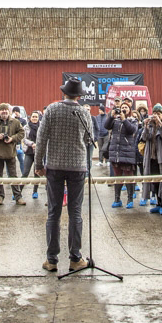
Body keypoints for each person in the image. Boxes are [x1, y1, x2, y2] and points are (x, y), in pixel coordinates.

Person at [33, 78, 94, 273]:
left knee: (54, 212)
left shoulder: (51, 110)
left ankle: (51, 260)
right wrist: (88, 167)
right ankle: (75, 258)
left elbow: (41, 139)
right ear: (78, 95)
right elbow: (88, 141)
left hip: (55, 166)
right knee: (75, 212)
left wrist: (38, 164)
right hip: (77, 167)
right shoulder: (84, 113)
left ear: (64, 93)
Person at [0, 103, 26, 204]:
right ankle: (0, 196)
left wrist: (12, 138)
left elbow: (22, 133)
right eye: (2, 110)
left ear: (9, 111)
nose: (4, 112)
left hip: (10, 153)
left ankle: (18, 197)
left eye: (6, 110)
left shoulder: (15, 122)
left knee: (13, 175)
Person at [103, 100, 139, 208]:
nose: (123, 109)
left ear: (129, 110)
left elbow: (131, 130)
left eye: (126, 108)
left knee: (129, 176)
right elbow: (106, 126)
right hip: (116, 153)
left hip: (127, 152)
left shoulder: (133, 120)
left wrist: (124, 119)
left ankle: (130, 199)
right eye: (122, 107)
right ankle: (117, 199)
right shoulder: (115, 120)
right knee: (117, 176)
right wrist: (111, 116)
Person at [22, 111, 41, 199]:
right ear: (30, 117)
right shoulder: (26, 127)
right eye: (33, 116)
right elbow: (24, 139)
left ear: (38, 118)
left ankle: (35, 191)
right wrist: (32, 144)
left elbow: (44, 138)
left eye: (36, 117)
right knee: (25, 172)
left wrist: (38, 145)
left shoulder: (42, 127)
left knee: (36, 173)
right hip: (29, 152)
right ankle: (18, 192)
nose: (34, 118)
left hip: (39, 153)